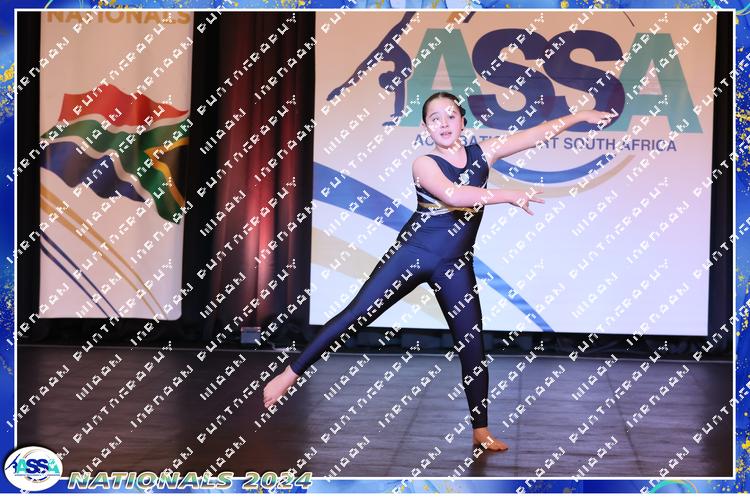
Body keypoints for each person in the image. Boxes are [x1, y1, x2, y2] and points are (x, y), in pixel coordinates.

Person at [263, 91, 612, 452]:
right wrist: (508, 194)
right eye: (435, 118)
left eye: (450, 116)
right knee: (356, 314)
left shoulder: (484, 153)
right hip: (413, 256)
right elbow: (454, 195)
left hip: (455, 265)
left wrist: (578, 117)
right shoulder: (424, 163)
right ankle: (290, 374)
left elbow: (535, 134)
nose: (443, 124)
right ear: (426, 127)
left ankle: (481, 430)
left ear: (462, 121)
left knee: (473, 345)